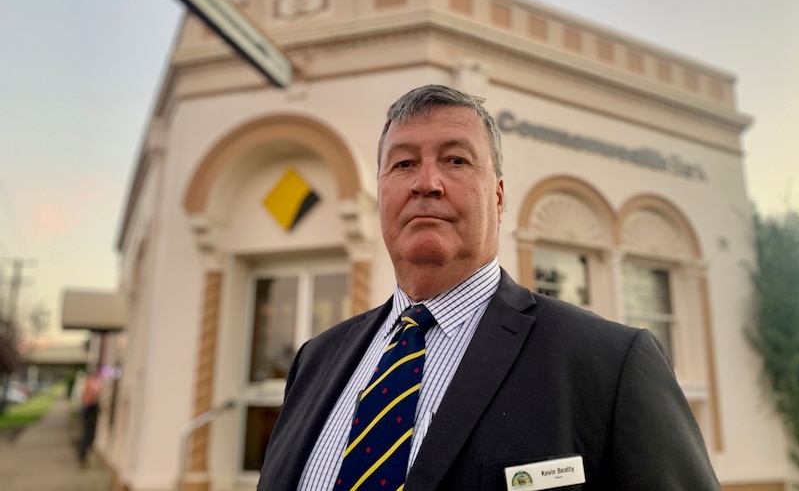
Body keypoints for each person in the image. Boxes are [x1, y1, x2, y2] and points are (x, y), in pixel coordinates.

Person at [257, 84, 721, 490]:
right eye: (403, 163)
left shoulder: (610, 365)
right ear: (381, 193)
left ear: (498, 197)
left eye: (455, 160)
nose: (426, 183)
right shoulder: (315, 362)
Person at [78, 369, 102, 466]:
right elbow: (92, 397)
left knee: (89, 433)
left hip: (90, 409)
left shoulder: (89, 383)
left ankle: (83, 452)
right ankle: (83, 452)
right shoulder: (90, 383)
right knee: (89, 433)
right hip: (90, 409)